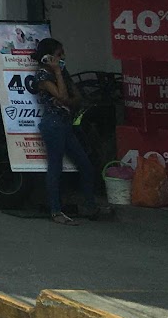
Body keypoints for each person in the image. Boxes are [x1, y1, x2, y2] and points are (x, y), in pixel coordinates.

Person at [32, 37, 112, 224]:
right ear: (48, 57)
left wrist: (65, 95)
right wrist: (57, 73)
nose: (63, 57)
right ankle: (56, 211)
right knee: (55, 167)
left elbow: (75, 97)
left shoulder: (63, 73)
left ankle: (90, 206)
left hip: (66, 123)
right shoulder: (42, 76)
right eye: (59, 54)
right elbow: (62, 95)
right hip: (53, 125)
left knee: (85, 165)